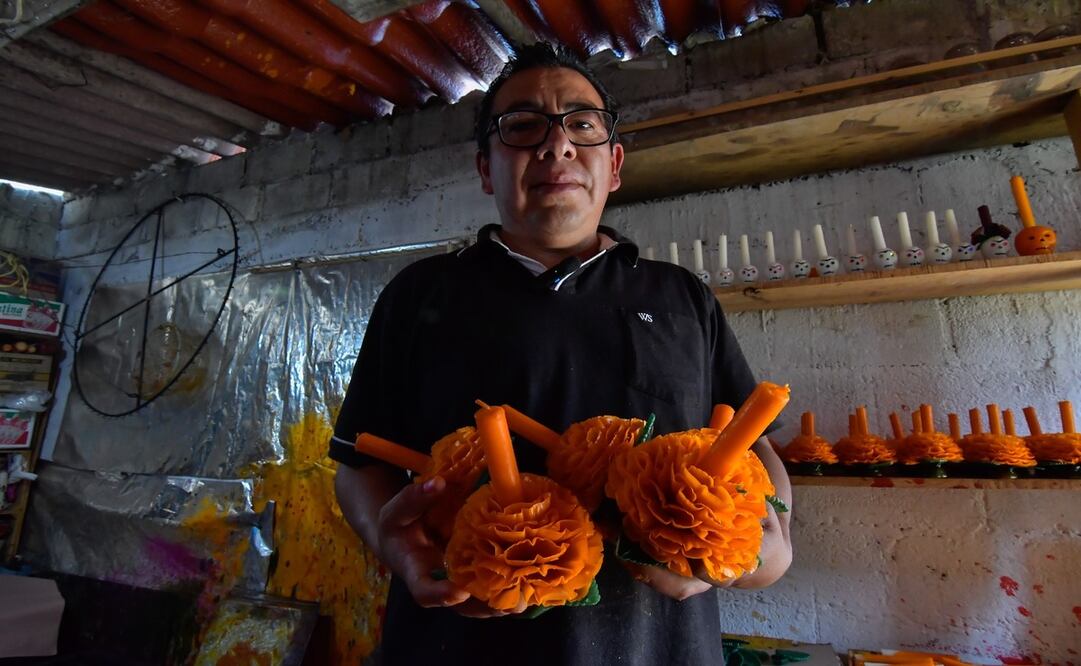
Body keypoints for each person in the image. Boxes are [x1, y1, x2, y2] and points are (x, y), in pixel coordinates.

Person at [330, 42, 793, 665]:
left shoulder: (681, 296)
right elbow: (360, 459)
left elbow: (750, 439)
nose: (557, 145)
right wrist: (394, 546)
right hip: (454, 645)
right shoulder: (420, 295)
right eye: (523, 127)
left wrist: (773, 542)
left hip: (658, 651)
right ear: (487, 169)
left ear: (616, 163)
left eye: (582, 124)